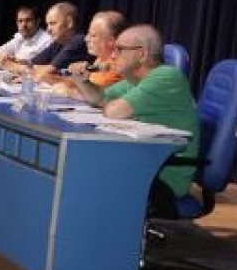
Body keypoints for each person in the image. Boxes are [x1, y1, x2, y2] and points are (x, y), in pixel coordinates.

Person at [66, 24, 199, 213]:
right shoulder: (134, 80)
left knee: (85, 171)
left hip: (163, 175)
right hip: (142, 163)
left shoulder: (166, 76)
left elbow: (113, 112)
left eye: (119, 50)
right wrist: (82, 80)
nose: (112, 55)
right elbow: (99, 99)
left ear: (142, 54)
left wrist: (108, 104)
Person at [59, 10, 127, 93]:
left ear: (111, 41)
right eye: (88, 34)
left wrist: (67, 91)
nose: (86, 39)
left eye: (93, 35)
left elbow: (97, 96)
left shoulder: (118, 65)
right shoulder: (101, 58)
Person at [23, 2, 91, 77]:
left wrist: (11, 65)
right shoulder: (58, 43)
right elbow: (31, 63)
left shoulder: (79, 41)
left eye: (52, 23)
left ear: (69, 22)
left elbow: (48, 71)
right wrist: (15, 61)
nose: (48, 29)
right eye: (47, 24)